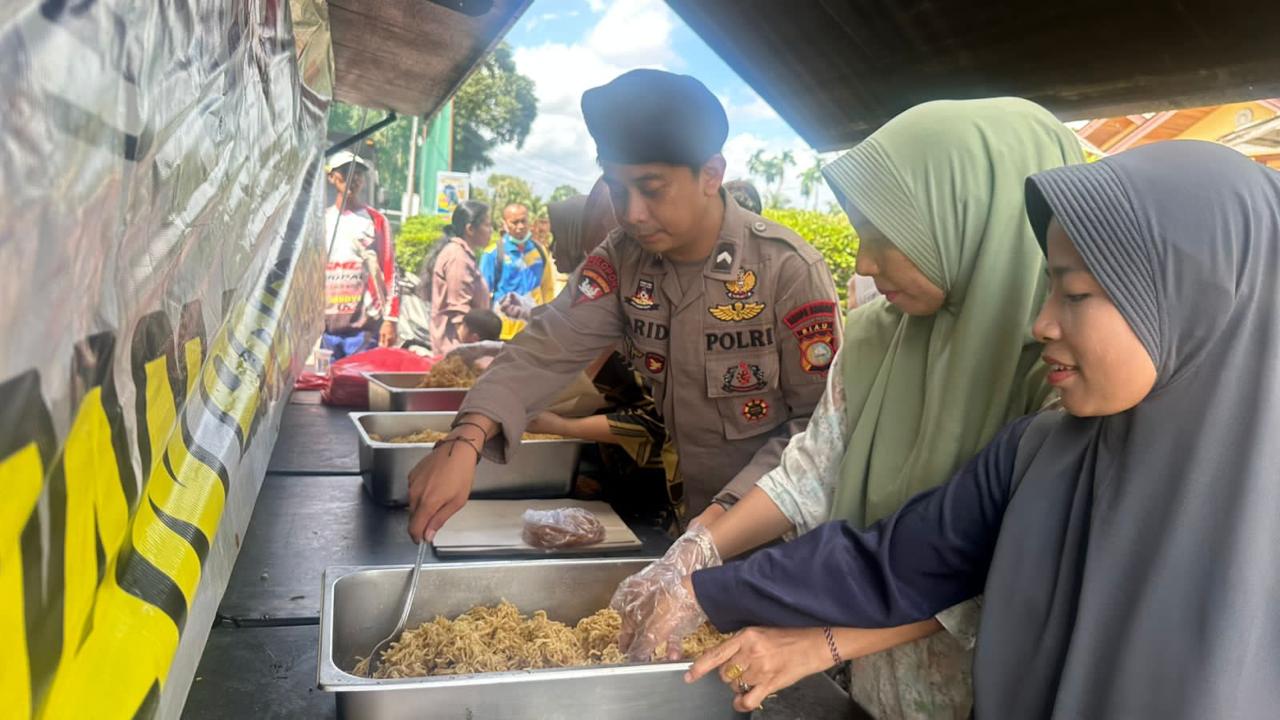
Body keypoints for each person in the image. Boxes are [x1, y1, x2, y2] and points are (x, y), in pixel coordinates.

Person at [680, 141, 1280, 720]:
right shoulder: (1040, 453)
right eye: (1050, 286)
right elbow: (890, 564)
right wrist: (699, 587)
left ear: (1196, 299)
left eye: (1075, 293)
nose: (1042, 322)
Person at [609, 98, 1086, 718]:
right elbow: (809, 474)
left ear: (969, 221)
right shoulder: (874, 338)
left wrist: (820, 641)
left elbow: (999, 565)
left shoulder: (1068, 372)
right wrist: (697, 552)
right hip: (868, 680)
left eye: (888, 238)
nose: (863, 263)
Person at [404, 68, 840, 544]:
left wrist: (721, 527)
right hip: (686, 529)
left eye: (652, 189)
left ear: (711, 175)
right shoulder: (621, 260)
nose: (631, 212)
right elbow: (546, 345)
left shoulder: (787, 270)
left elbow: (818, 432)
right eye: (616, 188)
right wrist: (466, 437)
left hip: (778, 537)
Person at [322, 151, 399, 359]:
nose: (352, 178)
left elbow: (392, 273)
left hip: (364, 330)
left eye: (358, 174)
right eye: (346, 172)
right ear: (331, 177)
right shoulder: (320, 221)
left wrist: (390, 320)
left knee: (359, 388)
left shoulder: (376, 221)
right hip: (326, 329)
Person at [480, 203, 557, 339]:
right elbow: (482, 294)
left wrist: (547, 321)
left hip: (533, 330)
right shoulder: (492, 254)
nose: (520, 226)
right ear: (504, 224)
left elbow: (548, 288)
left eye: (523, 221)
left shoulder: (540, 251)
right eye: (515, 222)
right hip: (503, 331)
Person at [428, 201, 492, 355]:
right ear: (470, 229)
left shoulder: (463, 255)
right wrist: (470, 356)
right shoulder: (458, 258)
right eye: (487, 225)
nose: (491, 231)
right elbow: (460, 313)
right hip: (455, 350)